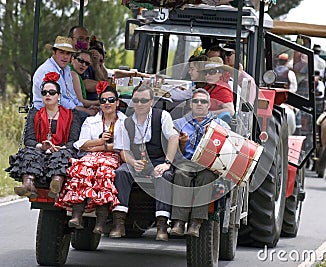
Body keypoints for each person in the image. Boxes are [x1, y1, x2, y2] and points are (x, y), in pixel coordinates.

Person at [55, 81, 126, 233]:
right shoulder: (90, 120)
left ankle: (100, 222)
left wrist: (99, 146)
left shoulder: (125, 122)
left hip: (112, 157)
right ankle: (76, 215)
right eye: (103, 100)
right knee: (81, 168)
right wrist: (100, 142)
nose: (107, 103)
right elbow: (81, 144)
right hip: (90, 155)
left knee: (104, 172)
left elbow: (121, 146)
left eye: (111, 100)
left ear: (117, 102)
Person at [111, 82, 179, 241]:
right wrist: (133, 163)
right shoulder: (126, 122)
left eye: (143, 100)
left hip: (158, 160)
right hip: (137, 161)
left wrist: (166, 163)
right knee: (121, 172)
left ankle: (162, 226)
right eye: (136, 100)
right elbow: (124, 151)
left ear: (151, 101)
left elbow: (174, 138)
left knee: (164, 176)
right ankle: (118, 223)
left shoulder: (162, 116)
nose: (139, 104)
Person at [7, 72, 81, 198]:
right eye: (44, 92)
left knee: (63, 155)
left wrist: (59, 148)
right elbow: (29, 140)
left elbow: (74, 141)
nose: (48, 95)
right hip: (40, 150)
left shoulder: (72, 115)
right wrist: (42, 146)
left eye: (51, 92)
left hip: (61, 150)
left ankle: (55, 184)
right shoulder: (34, 114)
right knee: (29, 153)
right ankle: (28, 184)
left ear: (58, 96)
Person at [170, 88, 230, 237]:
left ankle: (196, 223)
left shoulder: (219, 125)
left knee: (206, 178)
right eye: (195, 101)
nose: (199, 104)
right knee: (180, 174)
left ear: (209, 105)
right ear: (190, 104)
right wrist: (181, 143)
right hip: (186, 161)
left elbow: (229, 144)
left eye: (203, 102)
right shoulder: (178, 124)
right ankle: (178, 221)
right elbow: (171, 148)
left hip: (207, 164)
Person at [32, 36, 97, 119]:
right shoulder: (47, 70)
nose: (65, 57)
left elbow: (71, 96)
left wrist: (83, 108)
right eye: (62, 52)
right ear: (53, 53)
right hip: (45, 114)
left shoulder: (66, 70)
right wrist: (84, 110)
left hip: (63, 111)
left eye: (68, 53)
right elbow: (59, 100)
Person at [203, 57, 235, 122]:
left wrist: (209, 114)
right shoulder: (209, 87)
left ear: (220, 73)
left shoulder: (223, 89)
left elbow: (230, 110)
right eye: (205, 72)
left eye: (212, 72)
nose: (207, 75)